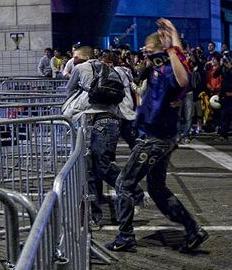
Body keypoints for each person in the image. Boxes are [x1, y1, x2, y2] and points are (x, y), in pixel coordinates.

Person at [106, 18, 209, 253]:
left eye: (149, 51)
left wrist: (171, 44)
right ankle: (193, 230)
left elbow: (183, 77)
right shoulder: (159, 69)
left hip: (154, 138)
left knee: (124, 183)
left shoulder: (166, 71)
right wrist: (172, 40)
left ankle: (125, 236)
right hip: (158, 137)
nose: (145, 55)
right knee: (157, 188)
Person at [64, 47, 144, 228]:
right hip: (110, 121)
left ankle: (133, 191)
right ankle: (94, 214)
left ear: (85, 57)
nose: (73, 60)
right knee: (93, 169)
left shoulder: (81, 68)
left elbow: (68, 90)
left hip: (96, 122)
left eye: (76, 57)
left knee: (100, 167)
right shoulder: (110, 70)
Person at [214, 53, 232, 140]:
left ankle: (224, 134)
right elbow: (215, 75)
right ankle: (223, 134)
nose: (225, 61)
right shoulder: (223, 68)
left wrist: (230, 67)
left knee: (227, 115)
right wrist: (221, 66)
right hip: (224, 94)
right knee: (223, 115)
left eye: (226, 59)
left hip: (230, 94)